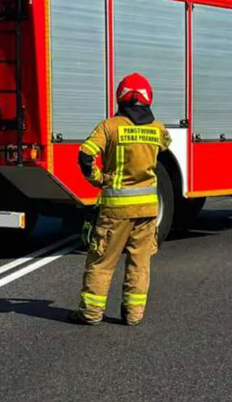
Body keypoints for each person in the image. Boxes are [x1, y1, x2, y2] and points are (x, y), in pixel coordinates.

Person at [71, 73, 172, 327]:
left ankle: (92, 314)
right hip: (148, 210)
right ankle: (133, 315)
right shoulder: (157, 128)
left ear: (120, 97)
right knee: (140, 262)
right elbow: (165, 147)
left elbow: (85, 155)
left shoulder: (109, 127)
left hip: (115, 210)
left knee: (102, 262)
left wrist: (99, 179)